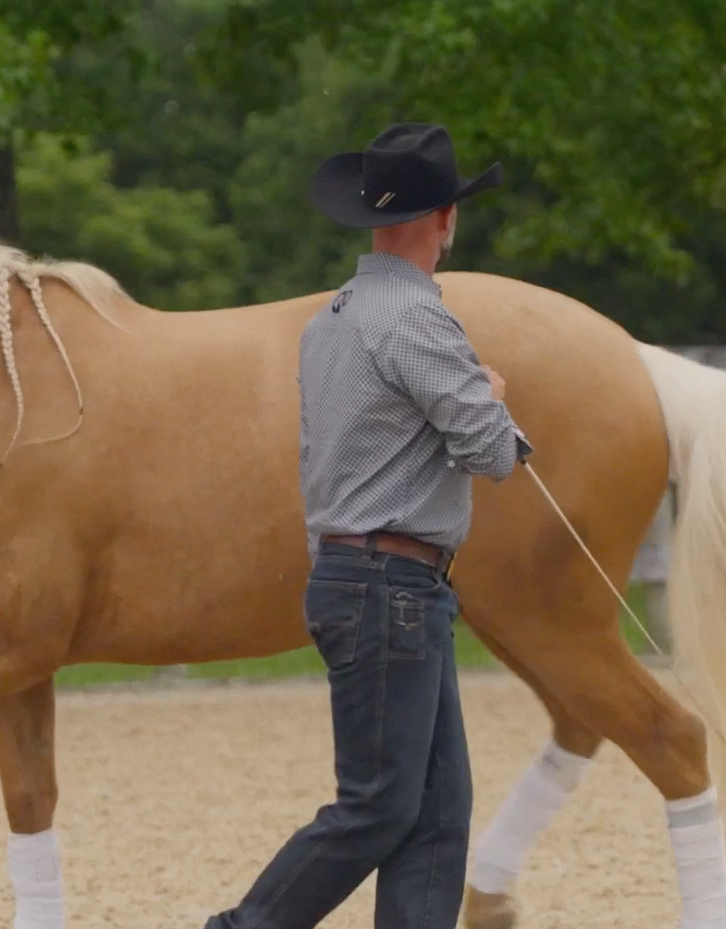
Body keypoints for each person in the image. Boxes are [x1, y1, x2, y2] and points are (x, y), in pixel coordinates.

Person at [205, 123, 531, 929]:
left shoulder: (331, 321)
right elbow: (490, 453)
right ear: (444, 219)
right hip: (394, 588)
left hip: (364, 581)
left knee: (435, 811)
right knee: (382, 808)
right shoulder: (418, 320)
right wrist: (489, 395)